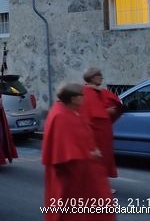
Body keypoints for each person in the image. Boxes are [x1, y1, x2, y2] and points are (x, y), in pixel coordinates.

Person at [42, 82, 115, 221]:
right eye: (82, 95)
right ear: (74, 99)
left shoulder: (73, 111)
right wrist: (89, 154)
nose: (85, 98)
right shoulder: (60, 116)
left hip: (86, 169)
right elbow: (62, 152)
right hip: (73, 173)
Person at [81, 67, 123, 193]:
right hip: (93, 132)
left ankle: (99, 185)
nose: (102, 77)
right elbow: (87, 113)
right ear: (92, 77)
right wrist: (107, 111)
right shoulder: (85, 92)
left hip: (103, 132)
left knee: (103, 159)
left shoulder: (99, 91)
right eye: (99, 74)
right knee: (95, 160)